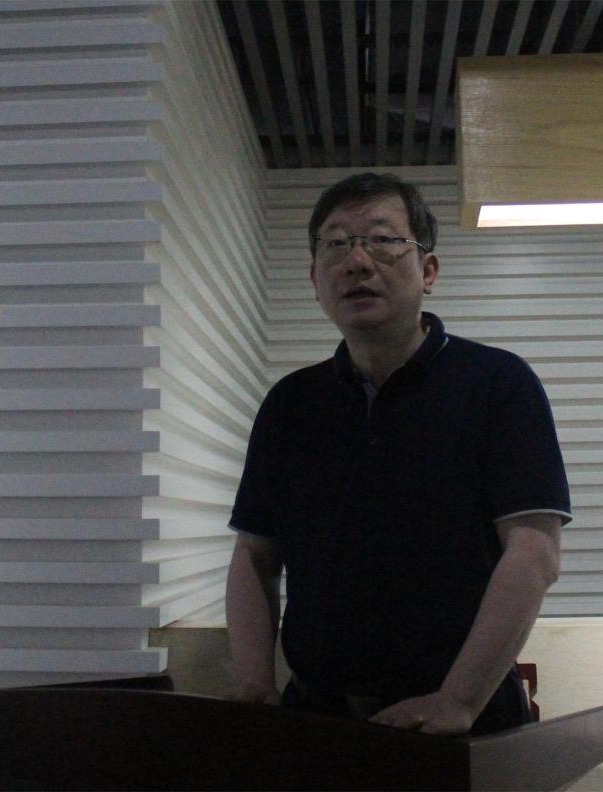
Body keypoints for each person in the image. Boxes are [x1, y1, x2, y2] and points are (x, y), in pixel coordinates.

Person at [225, 172, 571, 736]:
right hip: (316, 717)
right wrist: (253, 682)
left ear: (428, 271)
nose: (357, 262)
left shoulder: (498, 385)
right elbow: (254, 556)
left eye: (383, 240)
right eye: (336, 244)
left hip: (459, 726)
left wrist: (458, 700)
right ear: (314, 280)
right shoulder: (290, 403)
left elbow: (534, 553)